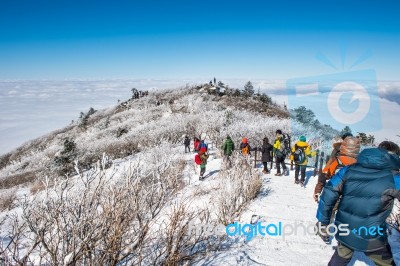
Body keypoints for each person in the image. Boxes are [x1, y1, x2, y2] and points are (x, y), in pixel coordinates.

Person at [316, 141, 400, 266]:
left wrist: (323, 221)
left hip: (345, 228)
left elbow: (329, 193)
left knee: (341, 255)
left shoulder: (348, 170)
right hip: (372, 234)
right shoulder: (394, 178)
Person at [313, 133, 360, 202]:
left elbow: (331, 160)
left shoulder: (338, 148)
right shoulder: (355, 154)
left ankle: (318, 193)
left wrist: (326, 171)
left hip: (335, 175)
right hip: (349, 185)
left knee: (324, 178)